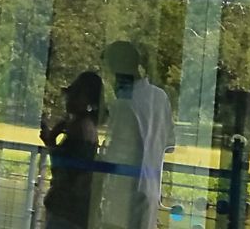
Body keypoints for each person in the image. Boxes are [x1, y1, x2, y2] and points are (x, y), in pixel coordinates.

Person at [99, 41, 172, 229]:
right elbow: (169, 143)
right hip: (150, 190)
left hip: (123, 195)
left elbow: (114, 153)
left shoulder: (125, 104)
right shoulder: (160, 98)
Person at [42, 71, 105, 229]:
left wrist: (51, 143)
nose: (69, 98)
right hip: (72, 212)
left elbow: (68, 174)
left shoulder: (81, 128)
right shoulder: (86, 127)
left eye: (76, 94)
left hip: (67, 212)